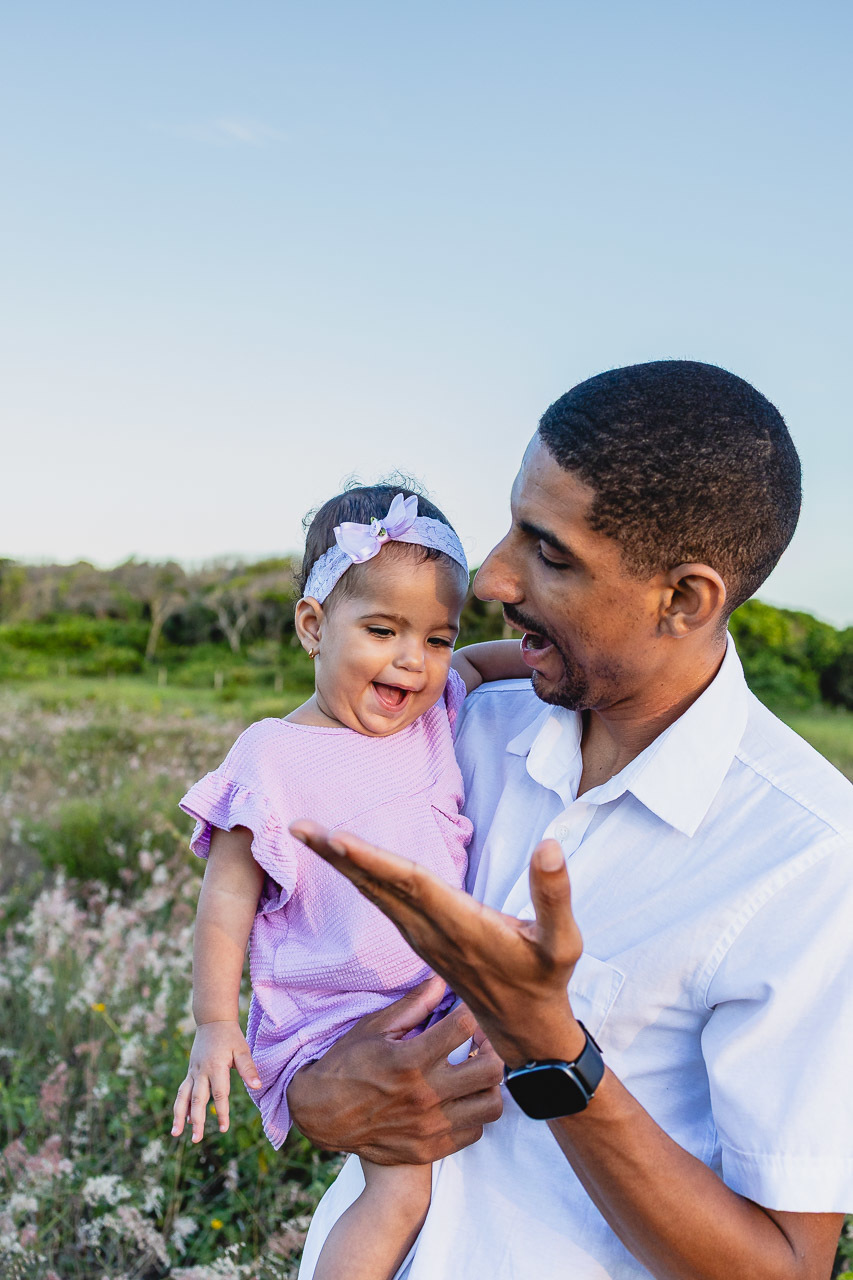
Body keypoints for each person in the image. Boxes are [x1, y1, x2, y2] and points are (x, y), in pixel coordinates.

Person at [288, 360, 853, 1280]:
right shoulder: (456, 732)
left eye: (549, 554)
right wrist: (315, 1097)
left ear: (685, 600)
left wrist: (549, 1047)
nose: (494, 575)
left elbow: (782, 1268)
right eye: (511, 524)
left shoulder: (809, 859)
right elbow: (319, 992)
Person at [170, 483, 528, 1280]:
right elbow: (226, 898)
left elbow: (484, 660)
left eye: (436, 637)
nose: (413, 659)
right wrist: (213, 1022)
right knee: (401, 1191)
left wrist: (546, 660)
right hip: (335, 1018)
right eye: (381, 629)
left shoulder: (436, 709)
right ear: (312, 626)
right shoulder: (272, 755)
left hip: (431, 998)